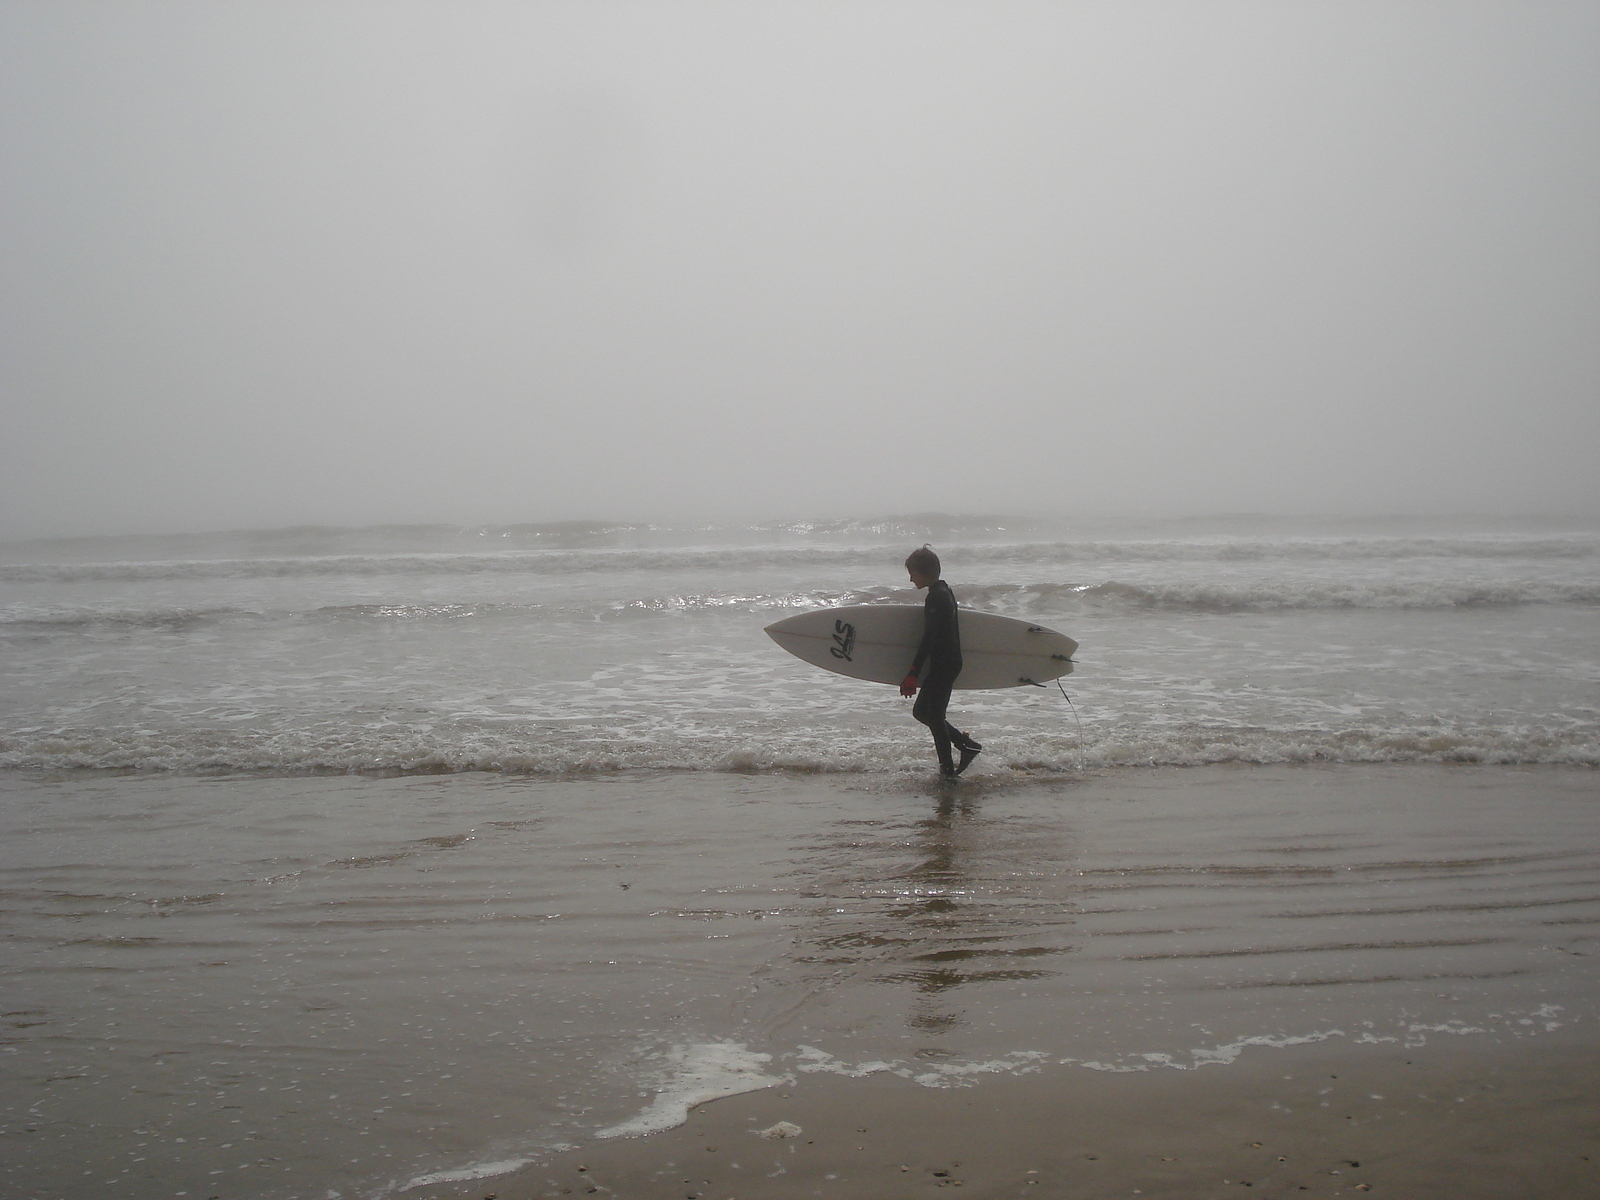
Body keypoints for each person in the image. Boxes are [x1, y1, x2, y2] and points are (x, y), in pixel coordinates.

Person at [899, 545, 982, 778]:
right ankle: (966, 746)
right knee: (922, 713)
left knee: (933, 716)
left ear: (924, 572)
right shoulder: (943, 590)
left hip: (945, 664)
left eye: (913, 573)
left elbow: (929, 637)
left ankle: (947, 772)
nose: (910, 578)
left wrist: (913, 672)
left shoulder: (937, 596)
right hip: (946, 662)